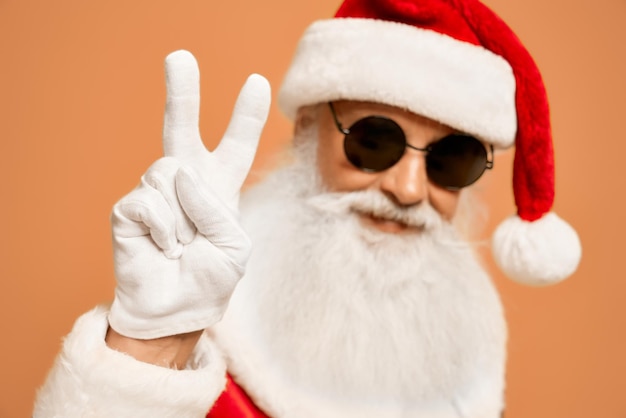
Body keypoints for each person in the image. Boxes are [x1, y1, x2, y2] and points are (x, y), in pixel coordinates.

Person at [33, 0, 582, 416]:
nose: (410, 188)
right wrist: (148, 346)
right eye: (374, 141)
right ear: (309, 131)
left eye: (452, 159)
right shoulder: (200, 297)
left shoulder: (473, 340)